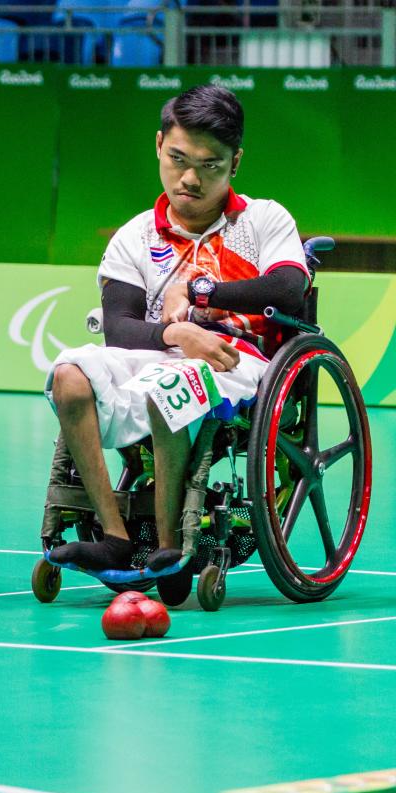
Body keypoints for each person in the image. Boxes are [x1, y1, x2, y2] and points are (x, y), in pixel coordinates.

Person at [46, 84, 309, 573]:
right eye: (178, 159)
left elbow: (289, 289)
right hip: (156, 351)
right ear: (159, 145)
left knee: (171, 386)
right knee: (70, 375)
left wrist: (201, 297)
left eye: (210, 165)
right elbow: (119, 328)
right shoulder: (135, 236)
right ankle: (116, 536)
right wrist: (175, 333)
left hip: (237, 360)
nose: (190, 178)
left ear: (235, 163)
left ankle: (169, 546)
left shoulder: (265, 219)